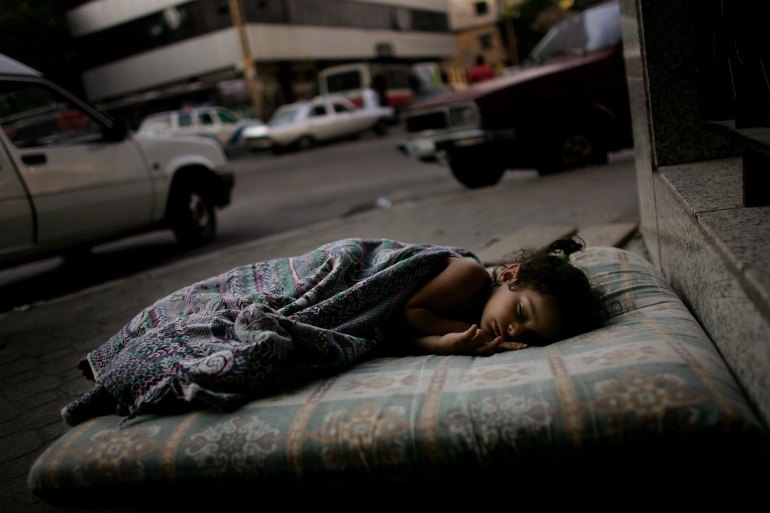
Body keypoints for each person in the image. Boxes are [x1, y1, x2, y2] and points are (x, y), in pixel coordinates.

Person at [64, 237, 605, 425]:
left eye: (529, 337)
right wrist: (449, 342)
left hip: (387, 316)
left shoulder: (475, 317)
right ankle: (125, 376)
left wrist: (450, 343)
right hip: (342, 278)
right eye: (522, 313)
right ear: (508, 276)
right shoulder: (466, 276)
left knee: (268, 356)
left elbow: (392, 335)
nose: (512, 330)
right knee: (251, 320)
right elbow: (405, 315)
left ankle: (126, 388)